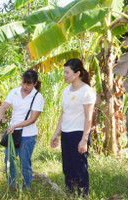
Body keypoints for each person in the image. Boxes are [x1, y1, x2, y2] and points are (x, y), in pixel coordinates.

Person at [0, 69, 44, 190]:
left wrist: (15, 126)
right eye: (23, 82)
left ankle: (26, 188)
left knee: (25, 162)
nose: (24, 86)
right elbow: (4, 107)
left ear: (35, 84)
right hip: (12, 134)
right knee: (9, 161)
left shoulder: (38, 97)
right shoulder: (14, 92)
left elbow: (32, 119)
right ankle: (12, 186)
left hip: (28, 135)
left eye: (28, 84)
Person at [50, 58, 96, 196]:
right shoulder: (66, 90)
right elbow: (63, 114)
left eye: (67, 72)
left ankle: (83, 195)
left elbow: (89, 118)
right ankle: (70, 193)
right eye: (64, 72)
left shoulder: (87, 91)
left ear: (77, 73)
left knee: (79, 167)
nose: (64, 75)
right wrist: (56, 134)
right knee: (67, 167)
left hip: (79, 134)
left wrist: (84, 140)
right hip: (66, 133)